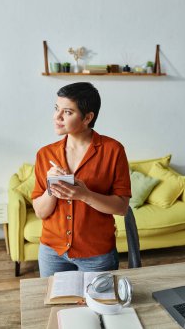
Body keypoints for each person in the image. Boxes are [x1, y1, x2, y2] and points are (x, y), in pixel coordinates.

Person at [32, 82, 131, 277]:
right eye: (56, 109)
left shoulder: (113, 150)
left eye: (67, 112)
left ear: (87, 117)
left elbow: (121, 208)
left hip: (97, 255)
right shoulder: (45, 154)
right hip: (52, 252)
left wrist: (84, 195)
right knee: (55, 307)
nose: (57, 117)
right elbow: (41, 212)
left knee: (98, 306)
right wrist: (51, 188)